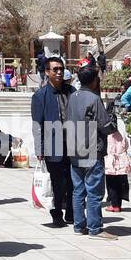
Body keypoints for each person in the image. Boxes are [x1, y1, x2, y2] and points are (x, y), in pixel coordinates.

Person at [66, 66, 118, 240]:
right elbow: (105, 125)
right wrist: (113, 124)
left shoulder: (72, 97)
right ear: (94, 80)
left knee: (78, 190)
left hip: (74, 149)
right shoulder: (94, 99)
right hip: (92, 150)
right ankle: (95, 228)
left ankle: (79, 225)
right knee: (94, 191)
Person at [30, 57, 75, 227]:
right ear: (47, 72)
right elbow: (37, 125)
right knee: (57, 182)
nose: (59, 72)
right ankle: (56, 214)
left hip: (72, 143)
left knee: (73, 180)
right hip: (52, 144)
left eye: (61, 69)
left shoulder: (71, 91)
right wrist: (39, 149)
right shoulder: (40, 96)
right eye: (55, 69)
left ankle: (72, 212)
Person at [104, 116, 131, 212]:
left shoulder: (107, 134)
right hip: (121, 159)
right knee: (121, 182)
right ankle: (118, 204)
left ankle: (114, 204)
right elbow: (126, 144)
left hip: (111, 161)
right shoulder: (121, 131)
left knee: (111, 183)